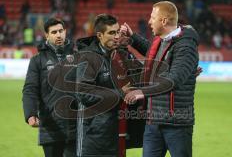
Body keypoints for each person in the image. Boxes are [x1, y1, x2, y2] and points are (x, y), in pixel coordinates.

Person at [121, 1, 199, 157]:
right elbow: (151, 53)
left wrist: (142, 92)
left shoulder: (186, 46)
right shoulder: (162, 41)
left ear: (163, 21)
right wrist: (133, 38)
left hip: (176, 123)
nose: (149, 21)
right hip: (153, 121)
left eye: (153, 17)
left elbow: (174, 80)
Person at [76, 14, 144, 157]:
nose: (116, 36)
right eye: (112, 33)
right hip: (95, 135)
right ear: (99, 35)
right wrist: (119, 93)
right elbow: (83, 92)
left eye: (118, 31)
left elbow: (143, 76)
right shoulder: (89, 58)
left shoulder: (122, 54)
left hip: (120, 131)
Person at [22, 18, 77, 157]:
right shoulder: (37, 60)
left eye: (60, 31)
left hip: (76, 127)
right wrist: (30, 114)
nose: (58, 35)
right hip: (50, 127)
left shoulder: (78, 56)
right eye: (54, 32)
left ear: (65, 31)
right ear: (47, 35)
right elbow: (30, 89)